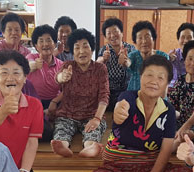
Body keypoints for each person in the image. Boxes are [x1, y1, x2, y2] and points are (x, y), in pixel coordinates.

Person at [76, 55, 191, 172]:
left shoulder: (168, 111)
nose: (153, 81)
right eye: (149, 75)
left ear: (167, 84)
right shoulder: (128, 97)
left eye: (160, 78)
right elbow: (121, 107)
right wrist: (118, 111)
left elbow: (165, 150)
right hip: (118, 167)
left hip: (149, 165)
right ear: (140, 77)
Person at [51, 28, 109, 158]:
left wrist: (97, 118)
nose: (81, 51)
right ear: (72, 51)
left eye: (85, 46)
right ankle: (62, 146)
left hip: (91, 115)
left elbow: (104, 95)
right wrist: (62, 77)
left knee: (94, 131)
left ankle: (90, 147)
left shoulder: (100, 69)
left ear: (92, 49)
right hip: (67, 114)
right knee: (61, 129)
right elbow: (57, 78)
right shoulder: (67, 66)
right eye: (77, 48)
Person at [26, 24, 63, 142]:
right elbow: (25, 66)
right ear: (36, 46)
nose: (45, 44)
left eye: (49, 40)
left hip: (54, 102)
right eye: (41, 41)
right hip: (33, 103)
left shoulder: (61, 64)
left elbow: (66, 89)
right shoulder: (31, 57)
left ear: (54, 44)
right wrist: (33, 66)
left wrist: (54, 102)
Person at [97, 17, 136, 110]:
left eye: (115, 31)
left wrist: (126, 62)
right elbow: (96, 63)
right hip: (108, 90)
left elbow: (133, 65)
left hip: (126, 89)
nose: (112, 35)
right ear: (105, 37)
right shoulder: (104, 49)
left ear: (122, 33)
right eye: (108, 33)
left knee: (124, 105)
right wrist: (103, 59)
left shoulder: (130, 48)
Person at [125, 21, 170, 92]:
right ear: (135, 41)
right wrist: (125, 62)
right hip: (134, 95)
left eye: (147, 37)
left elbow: (165, 80)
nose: (144, 41)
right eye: (140, 38)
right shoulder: (133, 55)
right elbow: (128, 62)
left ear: (153, 38)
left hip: (156, 96)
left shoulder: (163, 57)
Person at [168, 23, 194, 88]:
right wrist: (168, 60)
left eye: (189, 37)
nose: (186, 40)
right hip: (173, 90)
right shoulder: (173, 54)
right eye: (183, 37)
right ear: (178, 39)